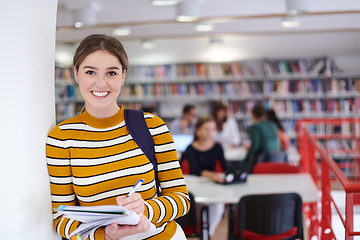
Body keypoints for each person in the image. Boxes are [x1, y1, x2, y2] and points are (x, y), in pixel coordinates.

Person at [46, 34, 190, 240]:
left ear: (123, 76)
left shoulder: (153, 127)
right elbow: (61, 217)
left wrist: (146, 209)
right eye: (90, 72)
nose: (101, 83)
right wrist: (104, 236)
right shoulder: (61, 139)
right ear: (76, 74)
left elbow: (181, 199)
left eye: (111, 73)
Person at [182, 116, 227, 236]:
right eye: (207, 129)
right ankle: (200, 230)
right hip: (195, 184)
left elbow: (225, 166)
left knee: (218, 205)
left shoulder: (217, 147)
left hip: (212, 184)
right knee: (200, 206)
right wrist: (213, 175)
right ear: (198, 130)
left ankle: (207, 233)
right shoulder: (190, 148)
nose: (210, 133)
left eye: (212, 129)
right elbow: (195, 169)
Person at [242, 104, 280, 171]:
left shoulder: (254, 127)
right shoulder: (273, 125)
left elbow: (256, 145)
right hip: (277, 159)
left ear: (253, 114)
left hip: (263, 160)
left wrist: (246, 158)